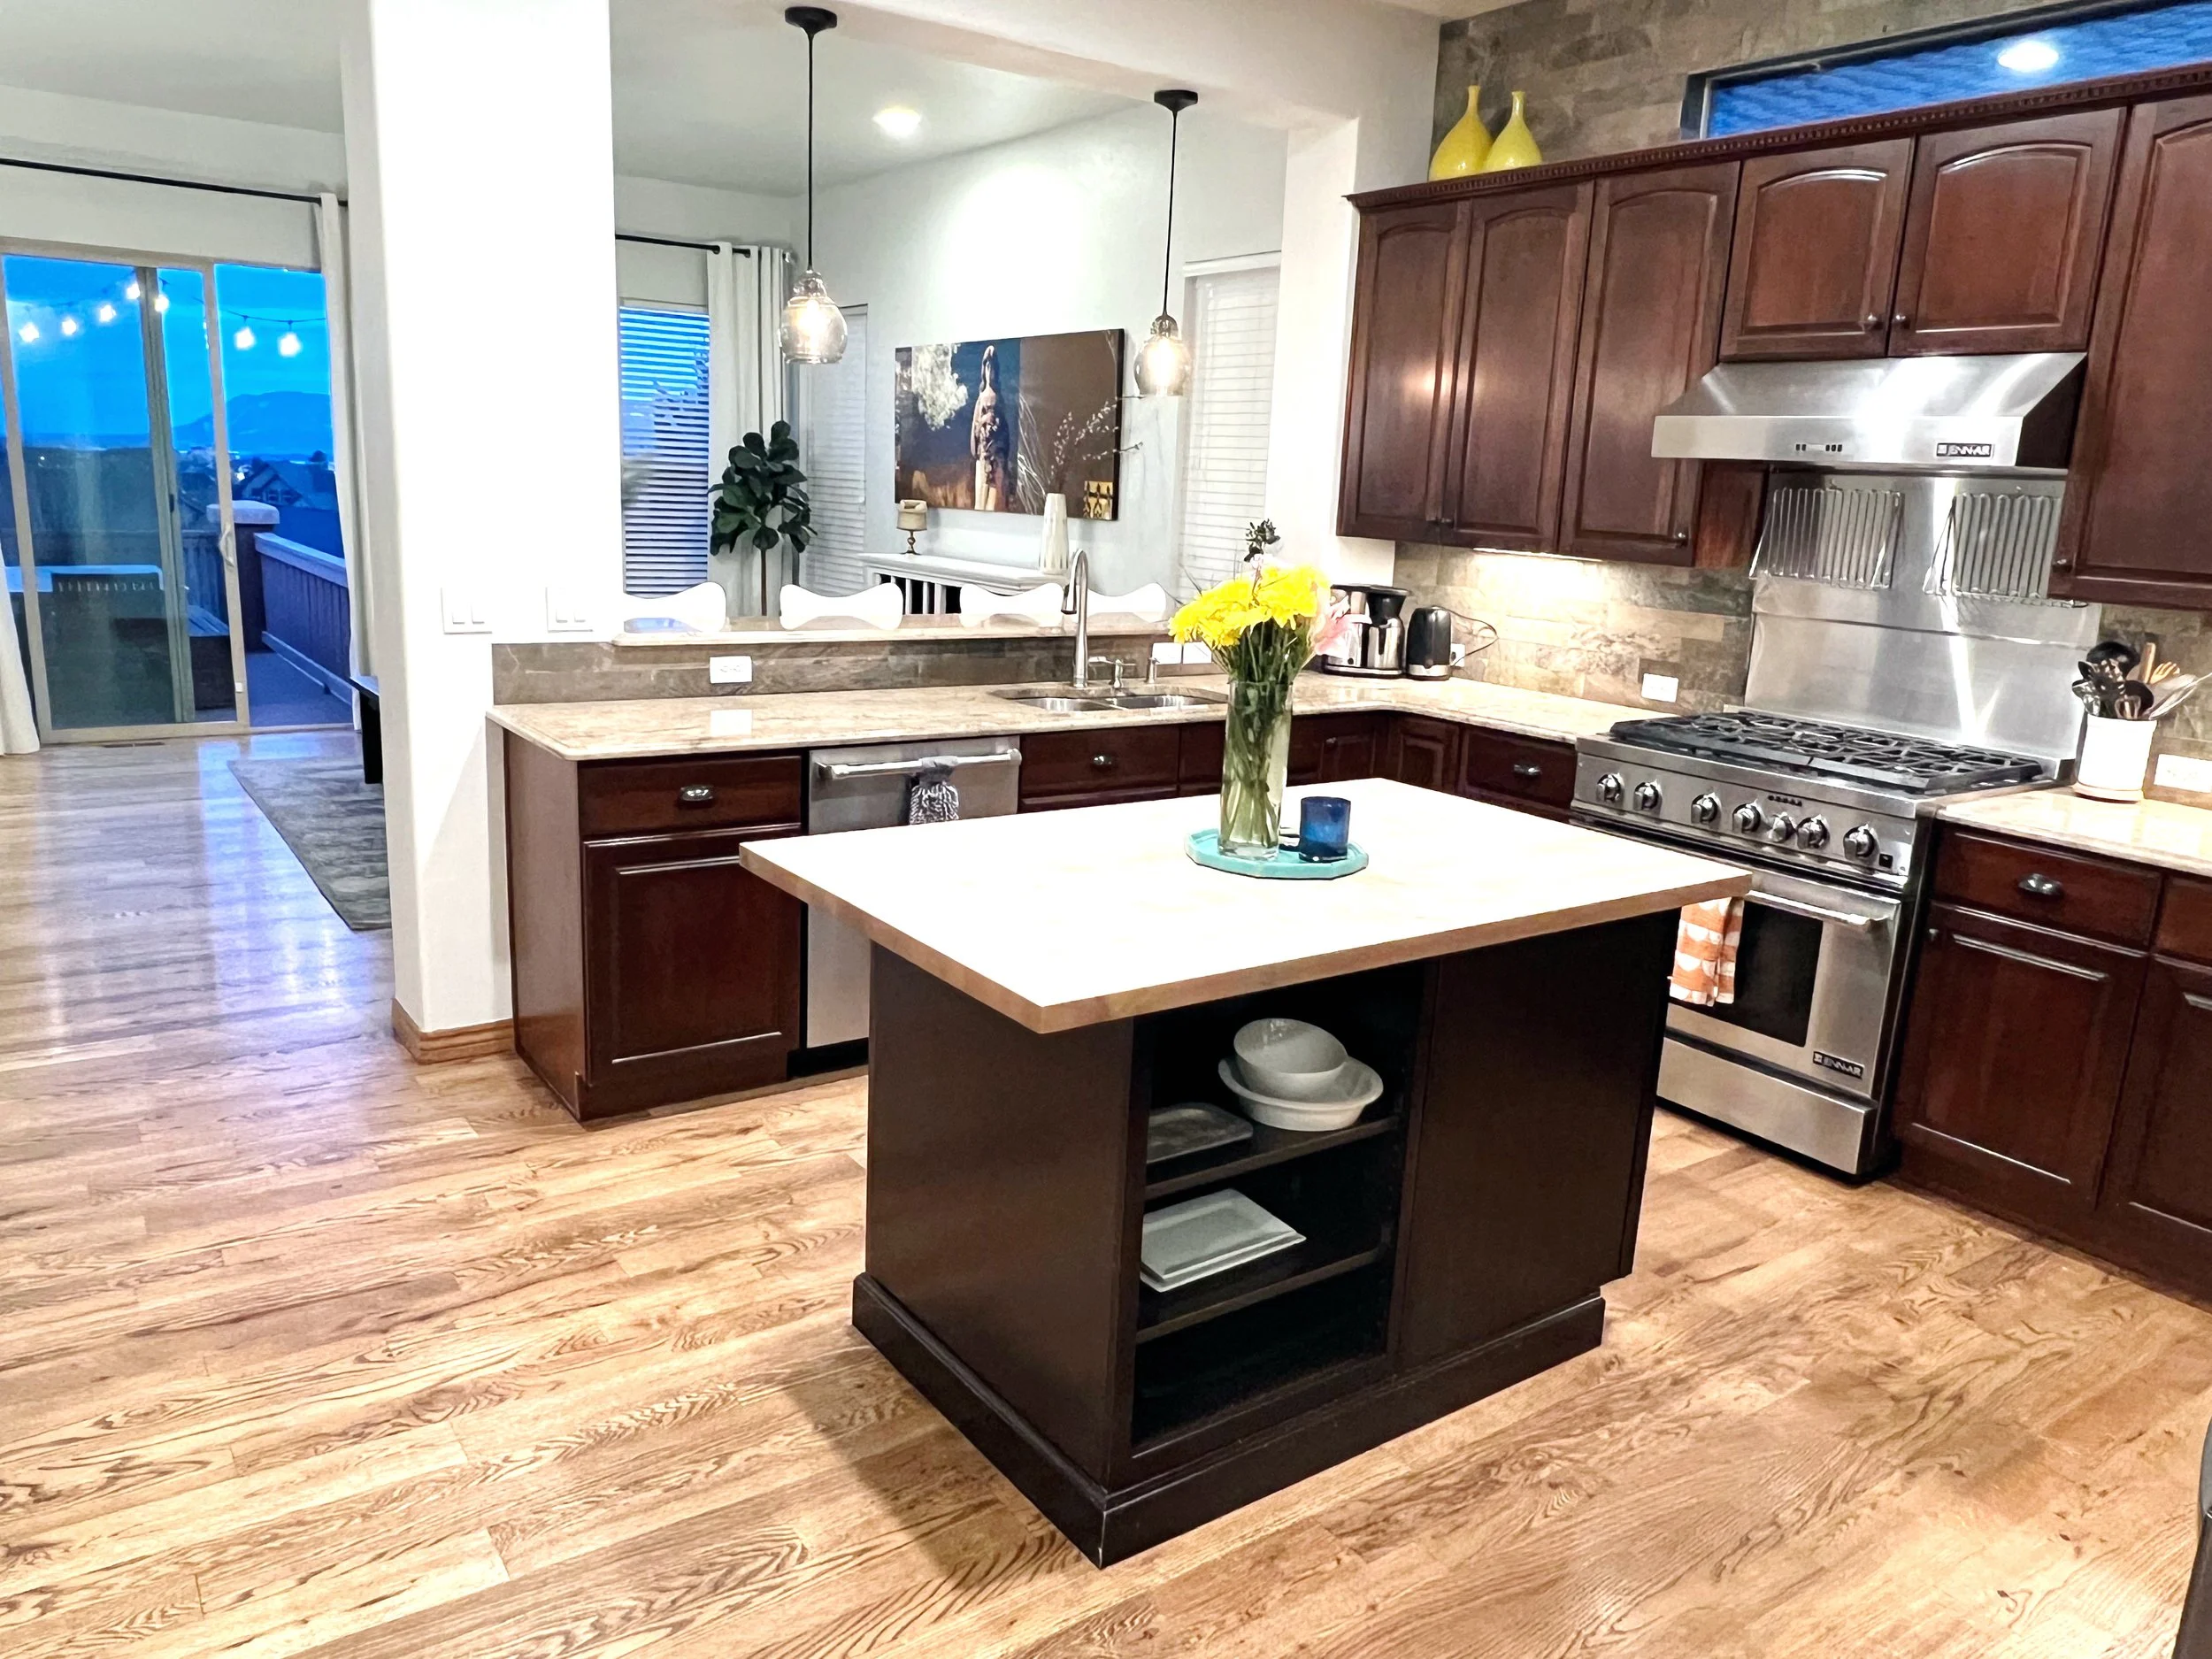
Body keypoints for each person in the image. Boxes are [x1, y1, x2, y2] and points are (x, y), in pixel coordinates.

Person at [969, 344, 1012, 511]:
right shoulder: (981, 398)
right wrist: (984, 420)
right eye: (987, 367)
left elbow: (1004, 429)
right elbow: (975, 427)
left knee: (993, 502)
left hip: (996, 458)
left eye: (992, 367)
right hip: (983, 457)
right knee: (980, 499)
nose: (990, 371)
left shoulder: (999, 398)